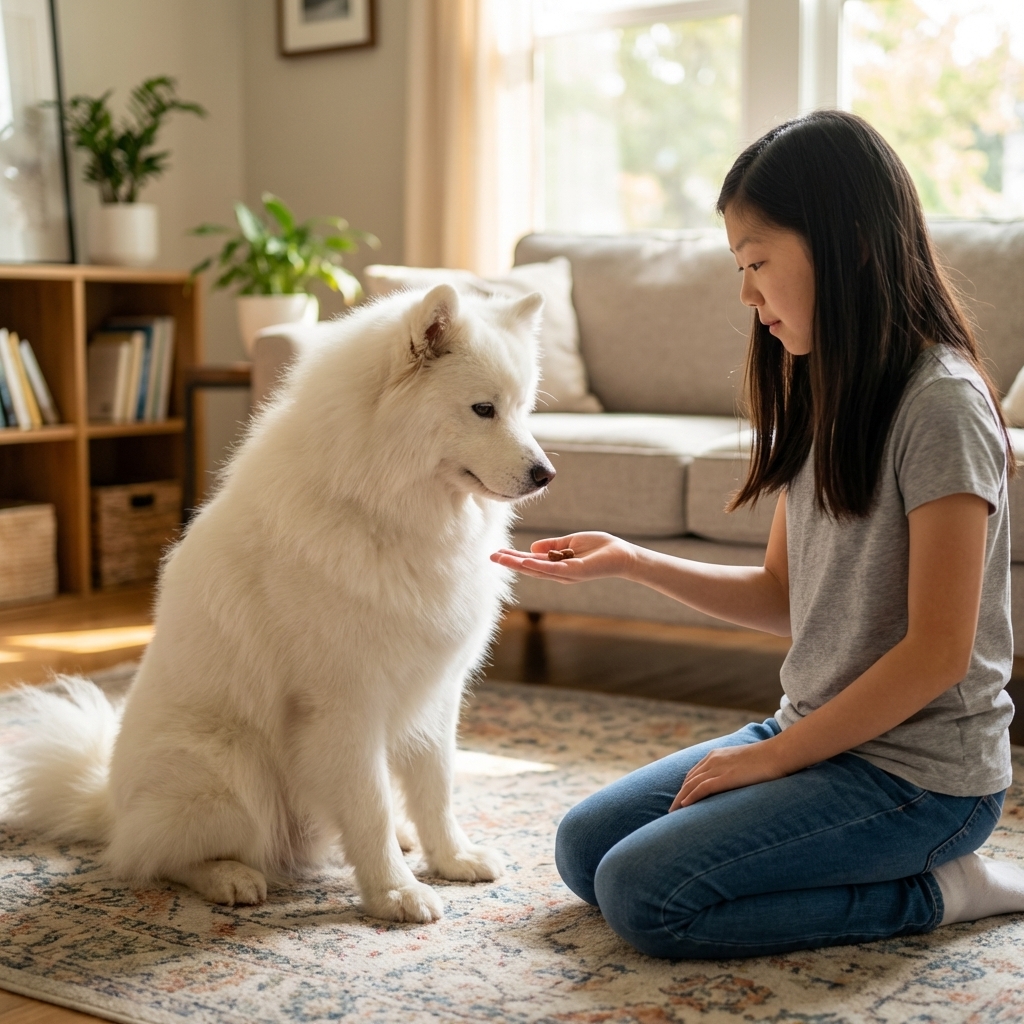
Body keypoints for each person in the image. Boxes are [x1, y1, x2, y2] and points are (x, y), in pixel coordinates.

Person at [491, 110, 1024, 959]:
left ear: (844, 244)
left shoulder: (942, 405)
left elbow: (938, 655)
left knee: (646, 897)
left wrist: (772, 764)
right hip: (816, 731)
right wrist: (630, 562)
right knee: (585, 849)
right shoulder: (825, 387)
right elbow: (784, 597)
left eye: (756, 263)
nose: (747, 294)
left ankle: (944, 887)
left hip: (923, 779)